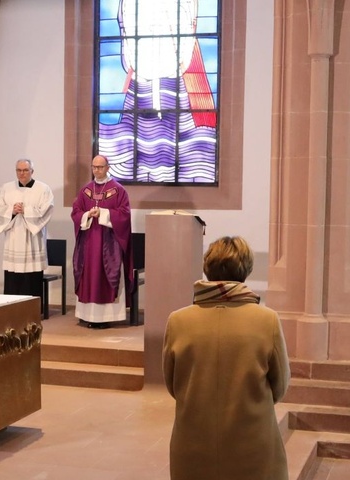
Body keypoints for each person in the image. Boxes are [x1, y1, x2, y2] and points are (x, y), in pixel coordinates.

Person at [162, 236, 290, 480]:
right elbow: (280, 386)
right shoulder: (267, 320)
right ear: (246, 270)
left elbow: (172, 384)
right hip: (252, 443)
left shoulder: (178, 321)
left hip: (193, 441)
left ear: (207, 268)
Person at [71, 154, 133, 328]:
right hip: (89, 243)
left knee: (105, 276)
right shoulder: (85, 190)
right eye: (94, 167)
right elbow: (76, 212)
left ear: (108, 167)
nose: (96, 170)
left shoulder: (118, 190)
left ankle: (105, 318)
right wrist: (86, 215)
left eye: (100, 167)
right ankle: (87, 315)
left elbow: (125, 215)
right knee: (87, 276)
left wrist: (104, 214)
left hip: (109, 243)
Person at [0, 159, 54, 308]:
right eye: (19, 170)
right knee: (13, 276)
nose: (22, 173)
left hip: (33, 240)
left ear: (32, 171)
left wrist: (26, 210)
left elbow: (46, 210)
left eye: (25, 170)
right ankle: (11, 307)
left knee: (31, 277)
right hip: (13, 238)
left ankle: (32, 309)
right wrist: (12, 211)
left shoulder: (43, 189)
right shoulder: (6, 188)